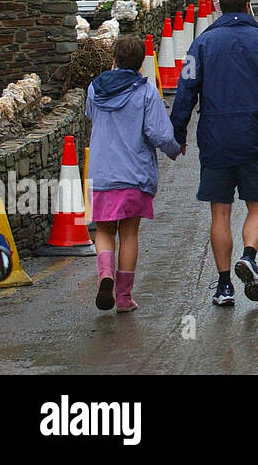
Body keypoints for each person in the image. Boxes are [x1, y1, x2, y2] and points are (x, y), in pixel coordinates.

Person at [171, 0, 258, 306]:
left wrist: (178, 132)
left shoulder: (202, 44)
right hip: (255, 138)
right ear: (246, 6)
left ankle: (224, 286)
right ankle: (249, 257)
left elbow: (185, 90)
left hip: (216, 140)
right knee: (257, 206)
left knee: (220, 213)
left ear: (220, 8)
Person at [86, 34, 181, 312]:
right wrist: (175, 149)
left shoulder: (95, 88)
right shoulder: (146, 92)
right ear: (141, 63)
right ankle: (124, 298)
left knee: (104, 230)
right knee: (129, 234)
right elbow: (158, 133)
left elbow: (91, 115)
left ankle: (105, 274)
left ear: (114, 60)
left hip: (103, 173)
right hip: (134, 175)